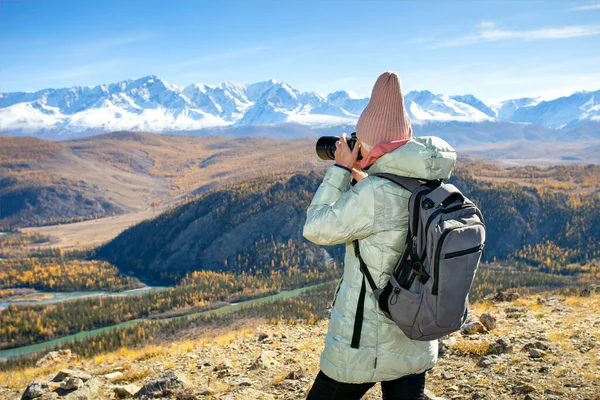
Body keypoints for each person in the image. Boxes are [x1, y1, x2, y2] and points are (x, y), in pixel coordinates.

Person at [303, 71, 457, 399]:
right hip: (417, 332)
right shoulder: (433, 183)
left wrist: (340, 171)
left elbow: (315, 228)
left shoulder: (375, 193)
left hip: (363, 343)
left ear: (370, 142)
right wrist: (369, 181)